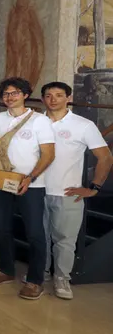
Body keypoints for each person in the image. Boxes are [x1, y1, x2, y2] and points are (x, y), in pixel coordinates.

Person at [0, 77, 55, 300]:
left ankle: (35, 280)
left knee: (34, 232)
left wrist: (31, 178)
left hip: (30, 184)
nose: (10, 97)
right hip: (1, 181)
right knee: (2, 228)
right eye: (6, 94)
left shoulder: (39, 121)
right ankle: (6, 270)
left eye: (15, 93)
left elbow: (48, 154)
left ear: (25, 95)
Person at [42, 81, 112, 300]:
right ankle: (39, 274)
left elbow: (105, 157)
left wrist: (93, 188)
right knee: (39, 236)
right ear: (43, 98)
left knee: (65, 240)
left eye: (59, 95)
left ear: (68, 98)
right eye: (49, 95)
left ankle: (62, 278)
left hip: (67, 192)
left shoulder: (83, 125)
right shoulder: (35, 122)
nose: (53, 99)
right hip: (36, 190)